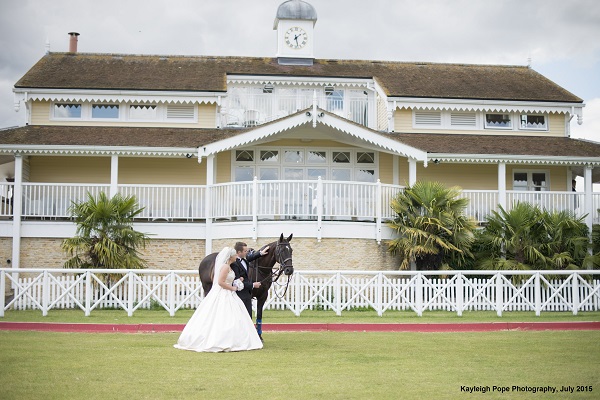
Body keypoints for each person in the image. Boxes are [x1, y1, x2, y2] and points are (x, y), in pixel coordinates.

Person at [174, 246, 263, 352]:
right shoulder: (225, 267)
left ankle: (235, 338)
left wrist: (239, 280)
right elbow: (220, 282)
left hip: (230, 293)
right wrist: (233, 288)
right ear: (230, 257)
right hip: (224, 293)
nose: (236, 256)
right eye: (235, 255)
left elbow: (228, 279)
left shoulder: (229, 266)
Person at [232, 241, 268, 317]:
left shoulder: (245, 261)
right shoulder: (234, 264)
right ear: (239, 252)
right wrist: (253, 285)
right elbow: (237, 283)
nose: (247, 253)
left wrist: (260, 253)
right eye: (245, 251)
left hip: (247, 294)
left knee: (248, 317)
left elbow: (250, 257)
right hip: (239, 295)